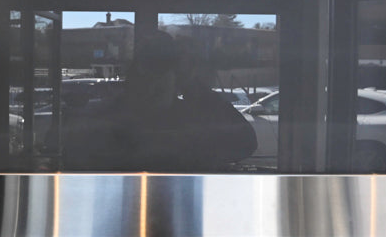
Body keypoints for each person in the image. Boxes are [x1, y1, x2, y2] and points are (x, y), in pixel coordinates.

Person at [61, 30, 257, 172]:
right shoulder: (192, 118)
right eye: (148, 74)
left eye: (162, 74)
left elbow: (244, 142)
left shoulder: (110, 114)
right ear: (135, 77)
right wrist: (192, 86)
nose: (153, 85)